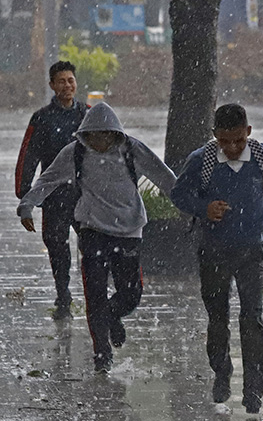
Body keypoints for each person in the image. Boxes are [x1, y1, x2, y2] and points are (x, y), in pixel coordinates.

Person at [170, 103, 263, 412]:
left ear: (248, 132)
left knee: (252, 320)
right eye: (225, 141)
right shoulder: (202, 161)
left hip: (252, 252)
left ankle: (254, 392)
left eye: (238, 140)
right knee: (217, 320)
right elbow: (178, 194)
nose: (232, 148)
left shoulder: (262, 155)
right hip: (213, 251)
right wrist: (203, 208)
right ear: (214, 136)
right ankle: (222, 372)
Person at [17, 102, 177, 373]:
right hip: (92, 231)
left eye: (105, 135)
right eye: (93, 136)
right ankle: (101, 354)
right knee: (94, 295)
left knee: (131, 294)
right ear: (85, 135)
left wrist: (193, 206)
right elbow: (48, 179)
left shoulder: (132, 149)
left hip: (128, 231)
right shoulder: (75, 152)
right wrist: (27, 205)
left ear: (115, 134)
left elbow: (164, 177)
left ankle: (113, 316)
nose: (99, 142)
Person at [15, 61, 88, 320]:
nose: (67, 86)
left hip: (84, 195)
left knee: (92, 246)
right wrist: (26, 195)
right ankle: (63, 294)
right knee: (57, 247)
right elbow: (28, 155)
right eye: (61, 81)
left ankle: (94, 294)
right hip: (55, 196)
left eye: (71, 80)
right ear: (52, 86)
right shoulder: (42, 118)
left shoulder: (87, 115)